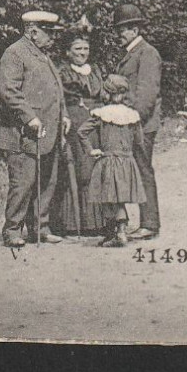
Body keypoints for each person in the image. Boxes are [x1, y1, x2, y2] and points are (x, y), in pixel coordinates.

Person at [0, 10, 70, 247]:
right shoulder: (15, 53)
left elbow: (56, 91)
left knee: (46, 181)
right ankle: (12, 230)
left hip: (47, 132)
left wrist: (65, 115)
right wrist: (29, 117)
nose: (52, 38)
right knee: (24, 182)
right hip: (22, 133)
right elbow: (9, 90)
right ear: (32, 31)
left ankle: (40, 228)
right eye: (48, 32)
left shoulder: (42, 55)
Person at [111, 3, 163, 240]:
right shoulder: (130, 54)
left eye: (123, 29)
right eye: (118, 29)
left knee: (143, 171)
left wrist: (132, 118)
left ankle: (150, 223)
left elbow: (147, 94)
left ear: (134, 29)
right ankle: (135, 222)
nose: (119, 34)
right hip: (129, 122)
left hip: (141, 124)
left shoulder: (148, 53)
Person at [78, 75, 147, 248]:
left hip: (108, 160)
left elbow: (81, 132)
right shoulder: (132, 115)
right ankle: (117, 232)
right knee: (119, 199)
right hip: (126, 160)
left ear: (106, 93)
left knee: (109, 199)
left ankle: (119, 234)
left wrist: (91, 149)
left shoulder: (102, 114)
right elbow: (139, 141)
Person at [53, 33, 106, 237]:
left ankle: (98, 221)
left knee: (96, 165)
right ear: (68, 52)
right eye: (78, 49)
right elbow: (62, 100)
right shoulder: (64, 73)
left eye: (85, 49)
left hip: (97, 120)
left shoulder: (96, 71)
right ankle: (74, 222)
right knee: (80, 167)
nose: (82, 53)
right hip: (76, 121)